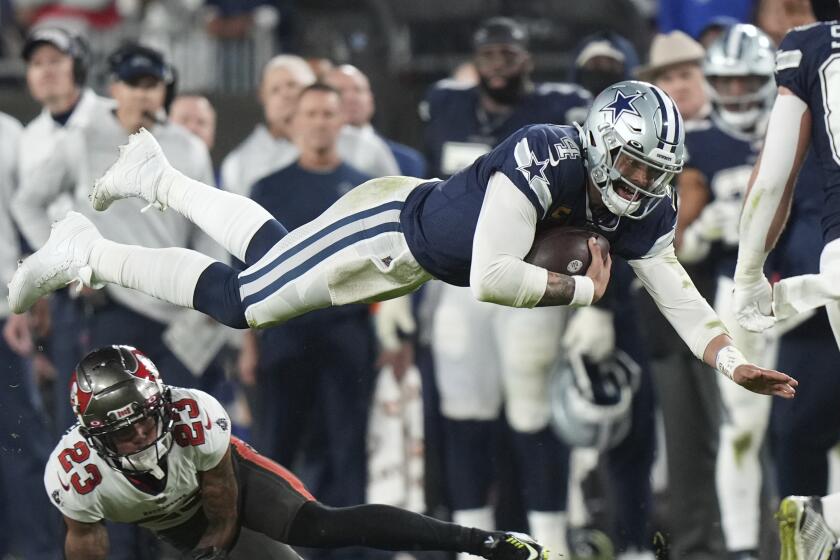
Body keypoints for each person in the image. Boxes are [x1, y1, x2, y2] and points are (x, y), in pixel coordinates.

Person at [8, 80, 797, 403]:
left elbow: (678, 293)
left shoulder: (639, 208)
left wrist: (731, 362)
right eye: (629, 161)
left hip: (407, 262)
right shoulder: (545, 156)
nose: (639, 182)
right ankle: (86, 249)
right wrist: (580, 289)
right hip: (388, 229)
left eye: (652, 169)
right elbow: (491, 275)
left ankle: (156, 175)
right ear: (597, 141)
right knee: (245, 300)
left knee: (270, 255)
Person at [46, 344, 548, 560]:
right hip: (171, 526)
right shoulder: (76, 474)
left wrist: (221, 542)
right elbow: (87, 543)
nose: (139, 437)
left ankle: (484, 542)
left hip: (225, 488)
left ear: (162, 403)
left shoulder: (193, 415)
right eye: (122, 432)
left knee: (319, 525)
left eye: (145, 419)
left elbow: (220, 491)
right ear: (93, 436)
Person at [420, 19, 592, 557]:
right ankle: (474, 544)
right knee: (465, 412)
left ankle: (553, 544)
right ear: (475, 59)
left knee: (532, 409)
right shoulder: (446, 103)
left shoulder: (563, 108)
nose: (498, 64)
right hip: (459, 280)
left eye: (508, 54)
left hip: (532, 279)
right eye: (488, 54)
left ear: (528, 60)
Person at [728, 13, 840, 560]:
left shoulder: (811, 46)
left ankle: (823, 515)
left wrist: (747, 274)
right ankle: (827, 514)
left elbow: (773, 178)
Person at [242, 84, 376, 538]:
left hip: (347, 333)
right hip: (285, 334)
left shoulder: (365, 188)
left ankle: (350, 552)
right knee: (274, 451)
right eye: (311, 113)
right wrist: (247, 344)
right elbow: (248, 272)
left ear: (342, 121)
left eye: (328, 113)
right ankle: (265, 546)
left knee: (347, 451)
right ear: (293, 123)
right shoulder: (267, 189)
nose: (319, 121)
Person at [675, 24, 778, 560]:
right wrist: (706, 227)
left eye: (747, 82)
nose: (737, 93)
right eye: (728, 82)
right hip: (734, 296)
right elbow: (674, 249)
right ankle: (741, 548)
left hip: (800, 288)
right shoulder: (701, 143)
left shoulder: (793, 125)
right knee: (741, 428)